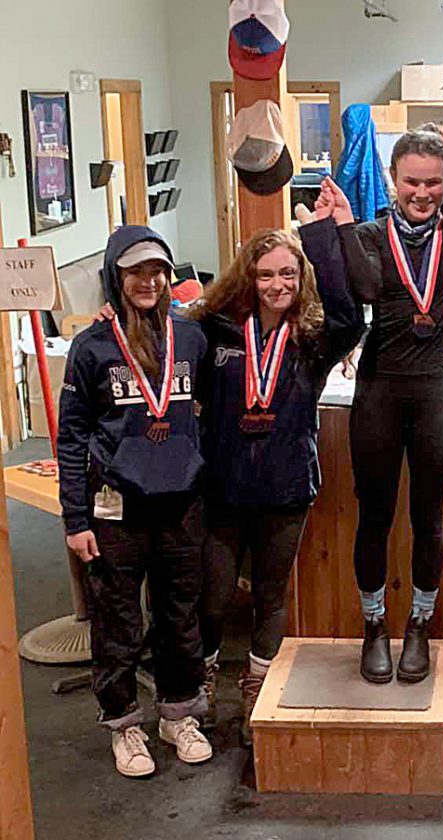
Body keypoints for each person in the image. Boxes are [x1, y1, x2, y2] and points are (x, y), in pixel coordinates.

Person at [328, 20, 443, 684]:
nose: (422, 193)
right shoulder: (370, 235)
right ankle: (374, 625)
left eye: (432, 182)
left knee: (428, 520)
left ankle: (419, 626)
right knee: (374, 518)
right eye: (411, 182)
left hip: (435, 392)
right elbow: (363, 290)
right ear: (394, 179)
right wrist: (342, 227)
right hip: (378, 390)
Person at [193, 199, 363, 746]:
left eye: (287, 274)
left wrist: (319, 236)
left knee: (270, 594)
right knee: (213, 595)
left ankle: (257, 688)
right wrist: (112, 316)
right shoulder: (215, 331)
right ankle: (200, 683)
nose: (276, 285)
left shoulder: (313, 338)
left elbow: (351, 317)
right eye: (265, 275)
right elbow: (162, 332)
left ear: (300, 276)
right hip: (222, 488)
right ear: (249, 277)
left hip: (287, 488)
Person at [58, 226, 212, 778]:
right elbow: (71, 436)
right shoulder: (92, 347)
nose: (148, 282)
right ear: (115, 277)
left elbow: (207, 413)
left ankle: (178, 714)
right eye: (135, 272)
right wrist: (75, 518)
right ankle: (124, 723)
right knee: (117, 620)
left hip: (180, 505)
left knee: (180, 616)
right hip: (115, 508)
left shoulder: (190, 339)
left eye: (157, 272)